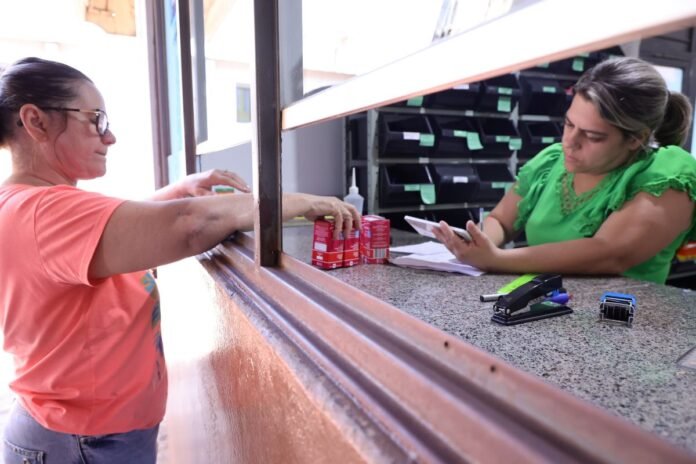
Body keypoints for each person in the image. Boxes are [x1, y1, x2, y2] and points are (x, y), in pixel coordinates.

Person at [0, 57, 360, 463]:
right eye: (96, 120)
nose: (110, 136)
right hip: (80, 443)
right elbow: (188, 225)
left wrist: (178, 190)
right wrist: (296, 202)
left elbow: (108, 233)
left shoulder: (27, 207)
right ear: (36, 122)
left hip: (81, 433)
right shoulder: (41, 212)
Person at [433, 56, 696, 284]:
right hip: (545, 306)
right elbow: (501, 220)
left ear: (635, 138)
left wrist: (497, 259)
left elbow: (608, 253)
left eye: (592, 136)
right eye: (569, 124)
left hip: (624, 325)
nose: (570, 142)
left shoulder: (666, 175)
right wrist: (480, 242)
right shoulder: (552, 161)